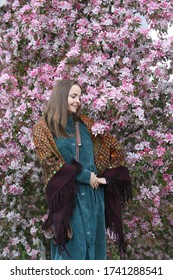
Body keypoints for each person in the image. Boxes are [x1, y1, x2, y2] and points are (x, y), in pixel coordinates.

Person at [32, 80, 131, 260]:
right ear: (61, 97)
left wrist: (105, 178)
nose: (78, 100)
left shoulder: (86, 124)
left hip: (94, 197)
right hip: (69, 199)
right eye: (73, 96)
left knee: (95, 253)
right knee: (71, 254)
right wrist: (86, 176)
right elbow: (50, 163)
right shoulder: (43, 128)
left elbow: (115, 149)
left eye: (79, 96)